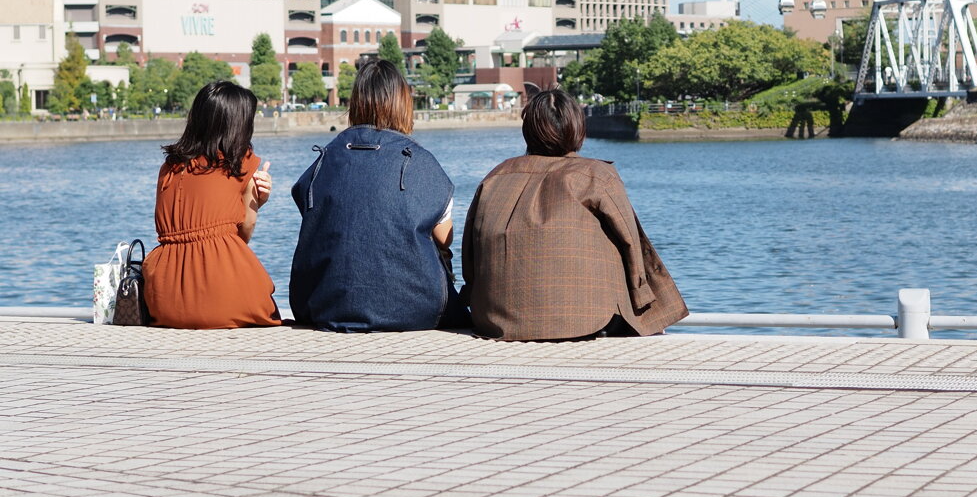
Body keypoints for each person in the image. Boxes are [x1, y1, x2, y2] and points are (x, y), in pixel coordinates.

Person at [461, 88, 687, 341]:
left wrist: (472, 293)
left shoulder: (496, 176)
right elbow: (633, 244)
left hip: (493, 319)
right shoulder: (595, 174)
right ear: (578, 128)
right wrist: (646, 301)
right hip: (584, 319)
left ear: (528, 131)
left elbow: (470, 249)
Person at [289, 59, 467, 332]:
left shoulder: (327, 157)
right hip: (416, 309)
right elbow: (445, 237)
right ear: (402, 104)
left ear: (356, 102)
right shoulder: (418, 161)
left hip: (322, 305)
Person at [142, 81, 281, 329]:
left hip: (164, 299)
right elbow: (242, 236)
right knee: (264, 302)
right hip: (224, 296)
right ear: (238, 124)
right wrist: (257, 202)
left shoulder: (169, 168)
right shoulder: (241, 164)